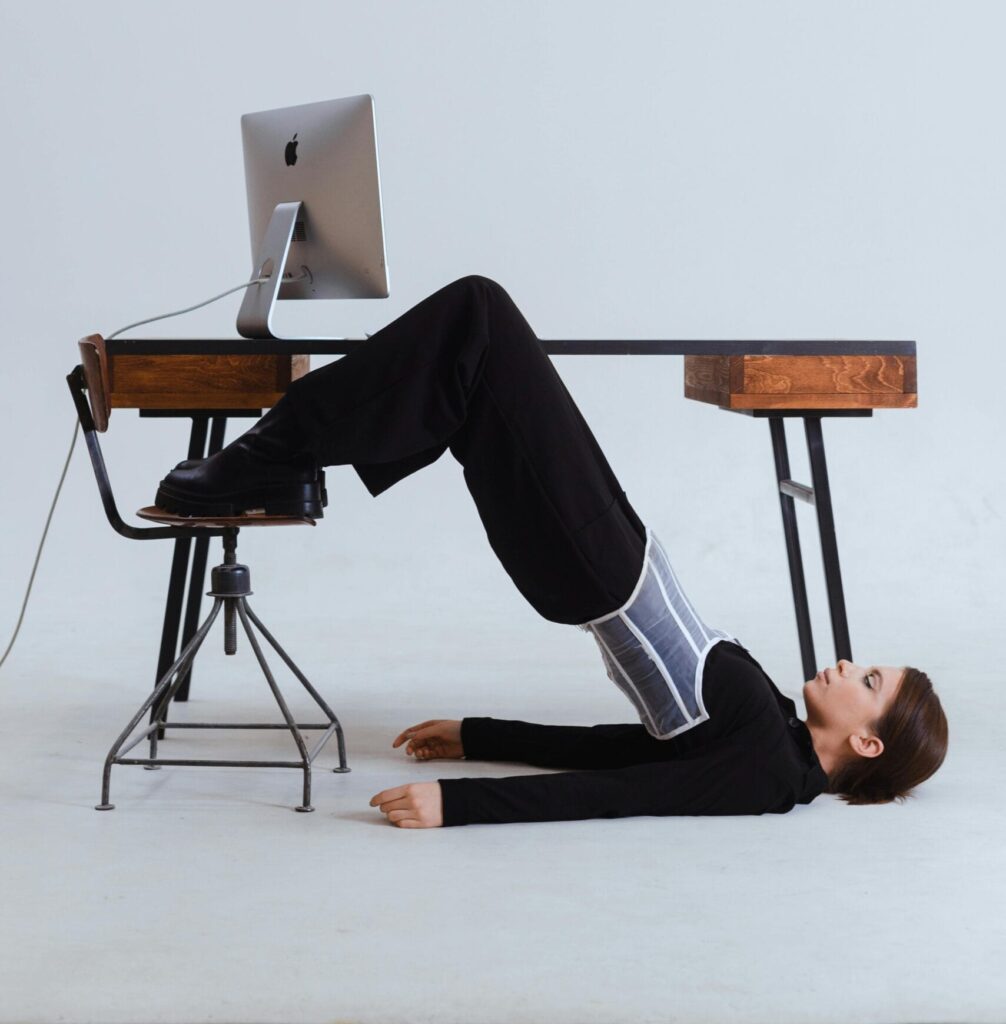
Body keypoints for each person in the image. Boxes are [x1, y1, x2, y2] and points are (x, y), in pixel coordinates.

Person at [154, 275, 949, 828]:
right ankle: (285, 465)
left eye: (870, 680)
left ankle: (274, 454)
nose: (850, 665)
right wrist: (478, 736)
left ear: (869, 742)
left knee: (482, 314)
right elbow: (619, 749)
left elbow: (625, 791)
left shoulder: (770, 777)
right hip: (603, 553)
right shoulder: (773, 738)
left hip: (592, 564)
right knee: (468, 380)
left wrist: (457, 804)